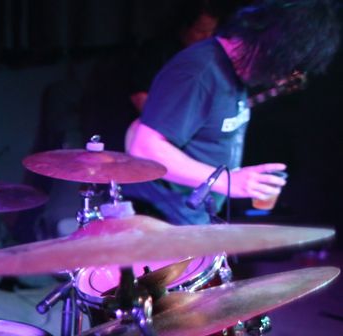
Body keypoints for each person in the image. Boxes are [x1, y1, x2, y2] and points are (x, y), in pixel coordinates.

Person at [123, 0, 340, 225]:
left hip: (192, 216)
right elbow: (145, 148)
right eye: (286, 65)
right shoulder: (198, 72)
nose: (280, 77)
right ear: (274, 47)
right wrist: (229, 182)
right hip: (162, 217)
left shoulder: (234, 74)